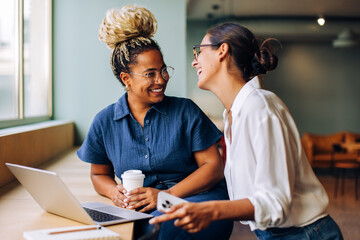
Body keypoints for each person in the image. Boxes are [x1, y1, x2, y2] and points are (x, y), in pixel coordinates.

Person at [150, 23, 344, 240]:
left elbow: (274, 202)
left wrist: (211, 210)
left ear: (222, 51)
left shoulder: (260, 107)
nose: (194, 61)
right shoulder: (233, 114)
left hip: (305, 234)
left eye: (199, 51)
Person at [76, 5, 233, 240]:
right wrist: (113, 192)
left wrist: (165, 195)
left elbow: (212, 168)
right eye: (150, 73)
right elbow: (99, 175)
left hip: (198, 197)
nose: (161, 79)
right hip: (143, 207)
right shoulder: (104, 122)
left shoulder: (185, 111)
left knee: (168, 224)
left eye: (163, 70)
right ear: (126, 79)